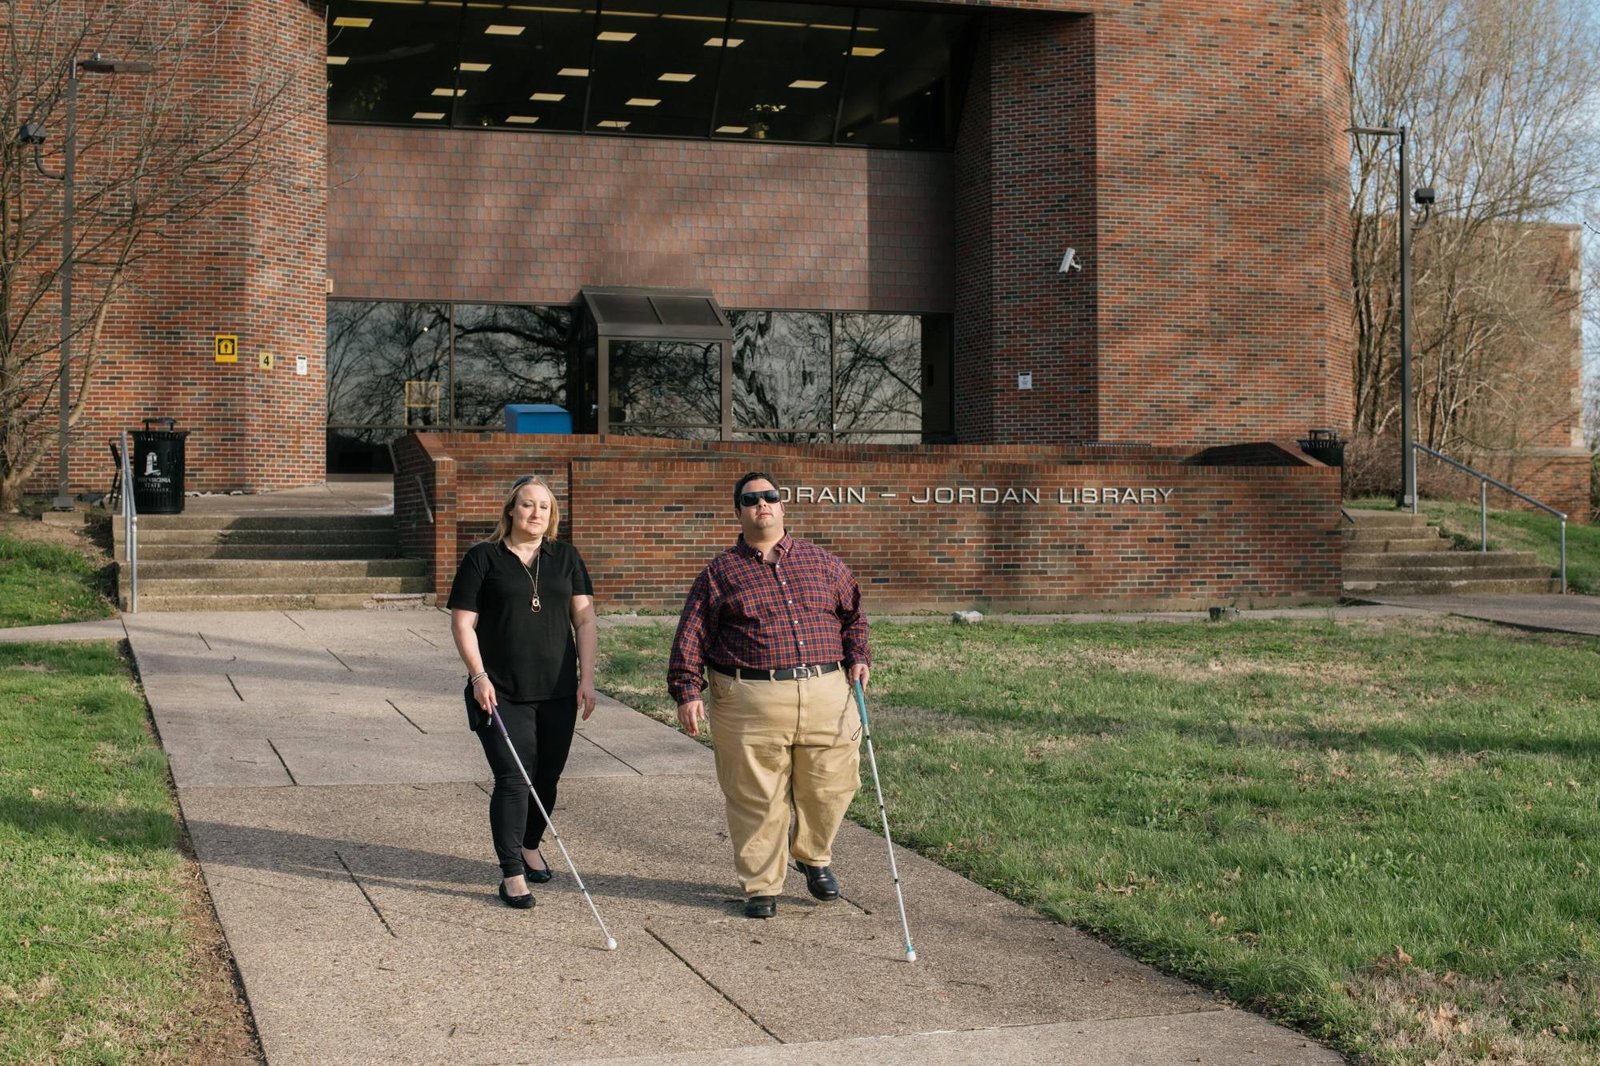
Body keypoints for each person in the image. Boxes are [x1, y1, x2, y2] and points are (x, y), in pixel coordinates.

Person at [669, 471, 870, 919]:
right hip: (749, 698)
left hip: (827, 692)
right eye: (751, 499)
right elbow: (692, 634)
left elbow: (854, 617)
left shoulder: (824, 563)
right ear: (738, 511)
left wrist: (860, 655)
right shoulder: (719, 572)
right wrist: (686, 690)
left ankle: (813, 855)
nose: (763, 504)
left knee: (830, 787)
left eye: (771, 497)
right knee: (755, 795)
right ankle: (762, 884)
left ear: (783, 507)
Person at [450, 474, 598, 909]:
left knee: (546, 778)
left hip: (556, 691)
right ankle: (513, 871)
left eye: (545, 507)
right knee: (514, 779)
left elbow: (584, 621)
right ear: (511, 510)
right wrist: (479, 676)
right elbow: (463, 623)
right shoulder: (483, 558)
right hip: (500, 691)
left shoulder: (565, 557)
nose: (536, 513)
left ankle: (531, 843)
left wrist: (586, 679)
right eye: (528, 505)